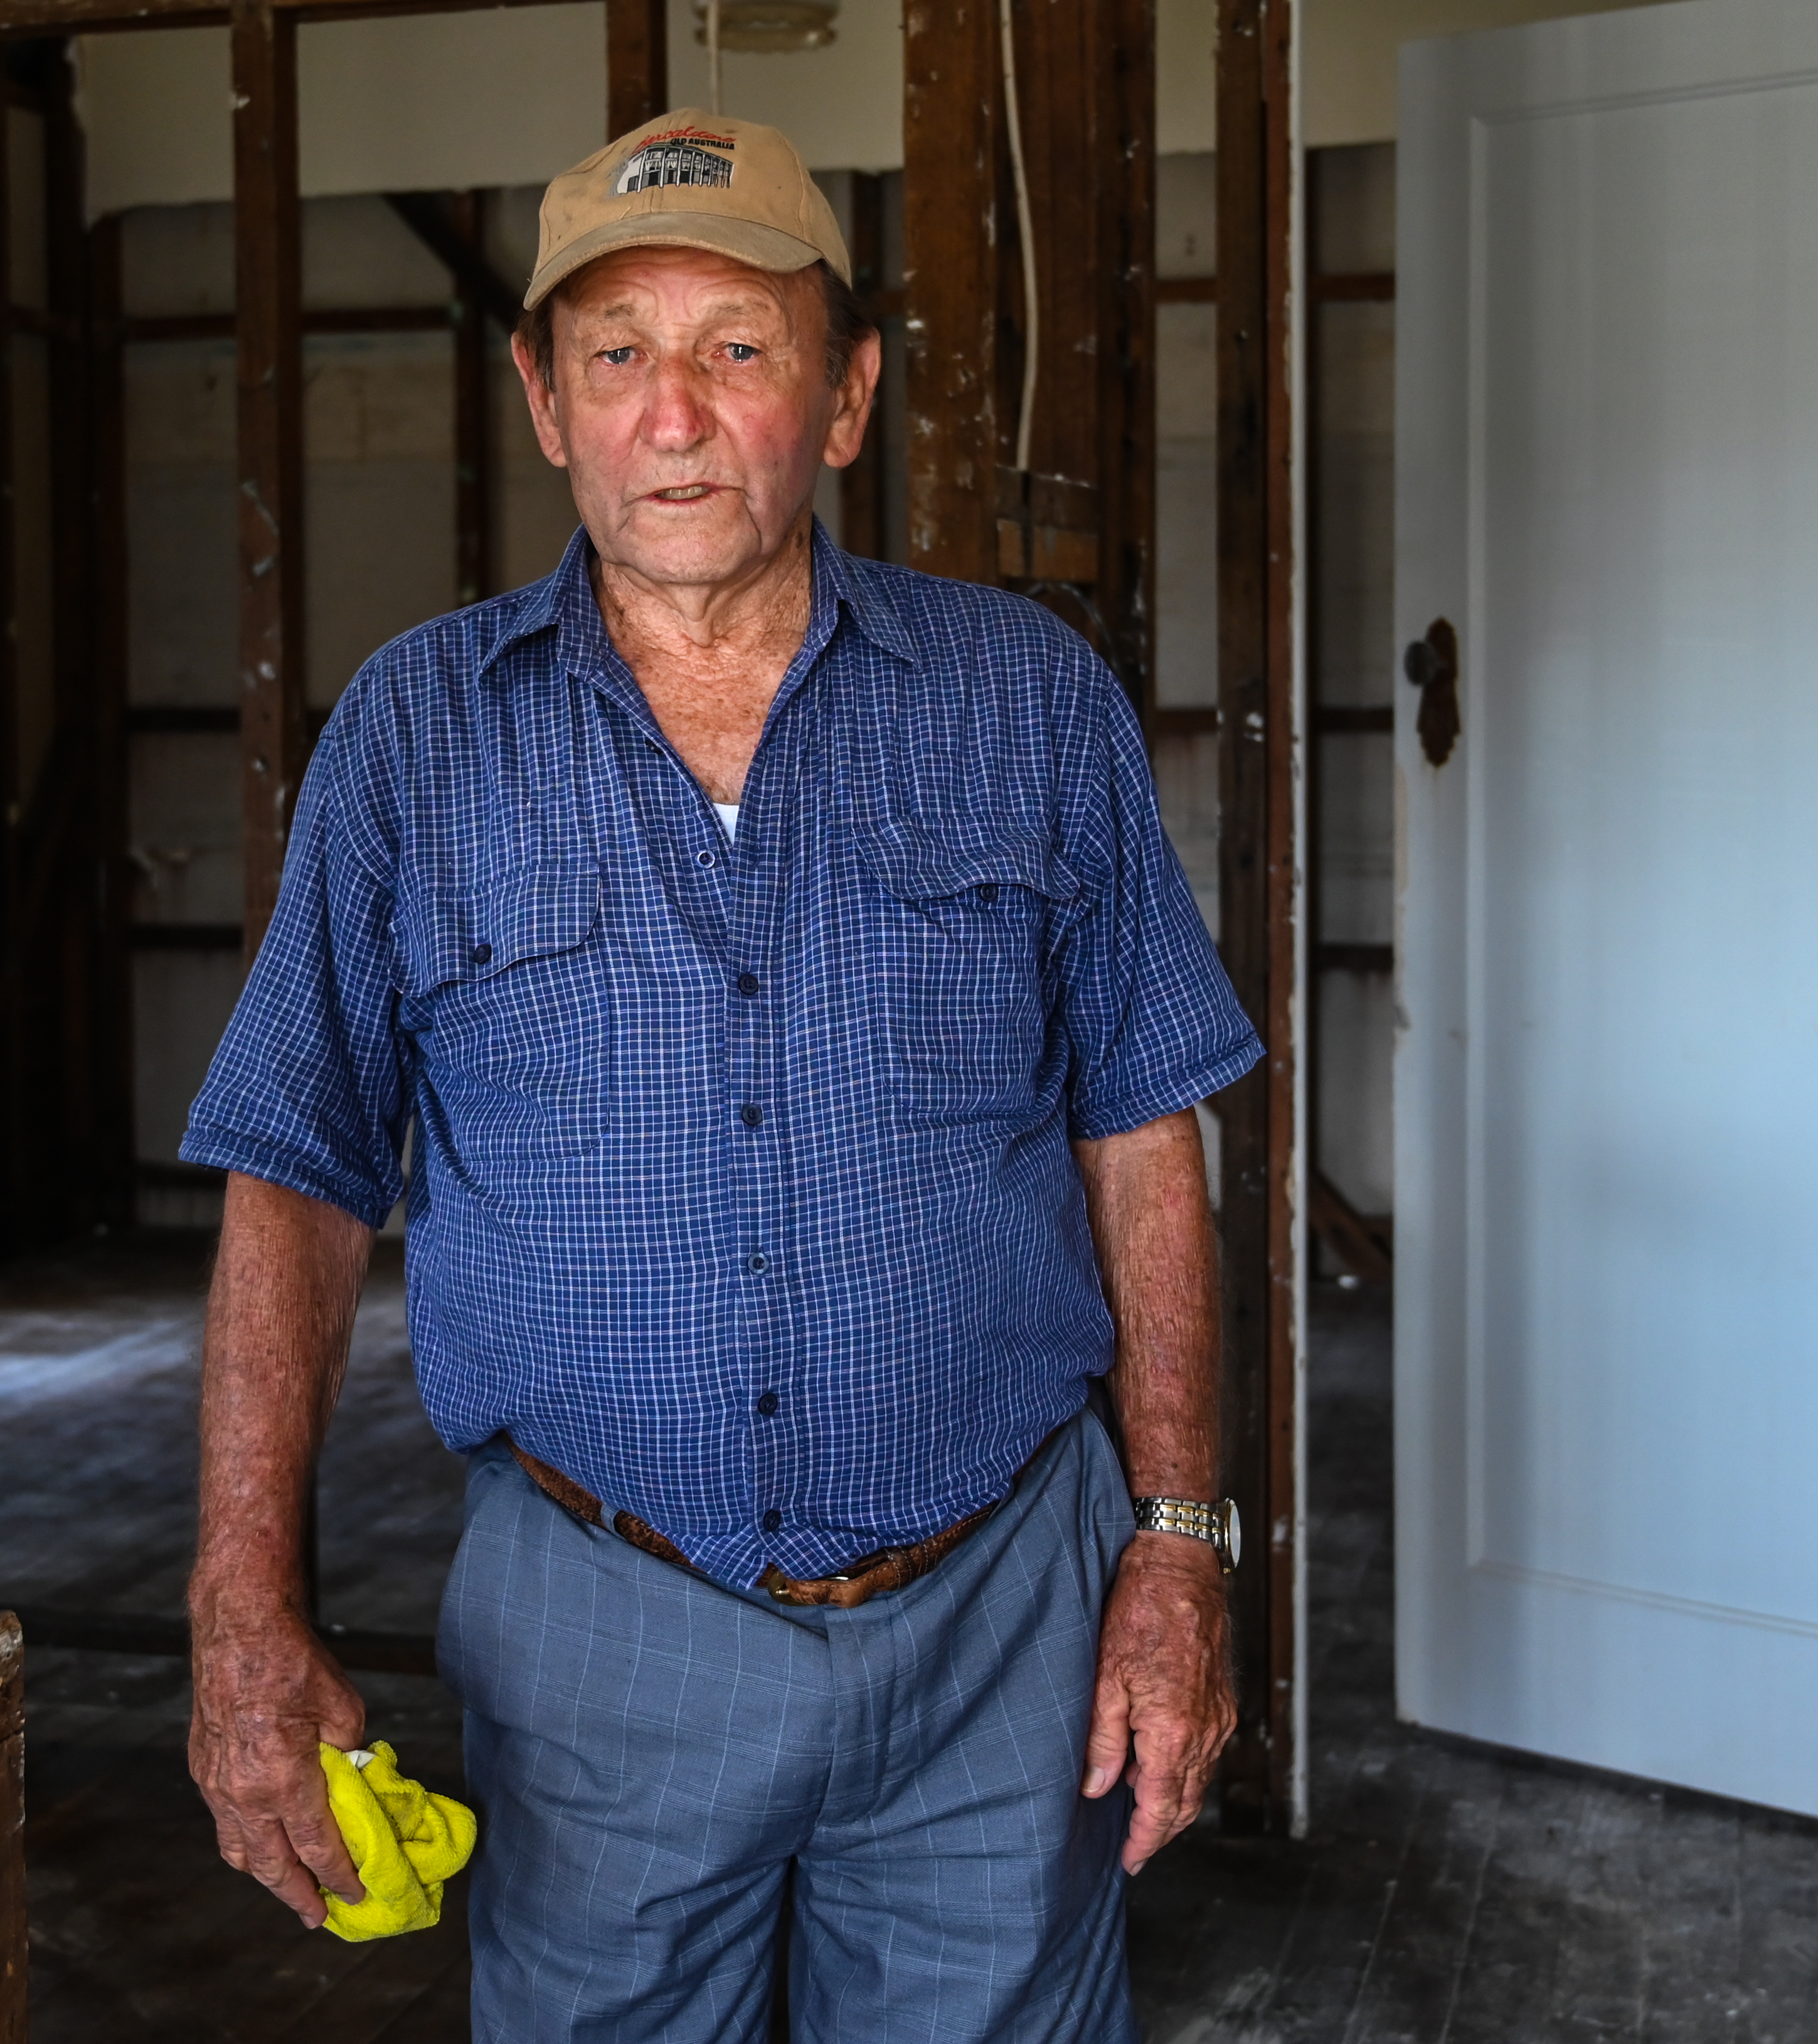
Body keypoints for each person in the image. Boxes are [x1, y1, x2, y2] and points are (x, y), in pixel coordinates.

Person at [179, 107, 1263, 2043]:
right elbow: (299, 1168)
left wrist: (1179, 1545)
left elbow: (1143, 1124)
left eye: (738, 349)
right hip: (602, 1622)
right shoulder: (418, 737)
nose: (672, 414)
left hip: (1001, 1615)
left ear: (844, 399)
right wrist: (240, 1605)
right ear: (544, 399)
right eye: (617, 354)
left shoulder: (1025, 699)